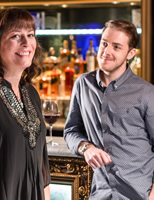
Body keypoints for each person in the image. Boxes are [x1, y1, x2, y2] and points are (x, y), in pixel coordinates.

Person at [64, 19, 154, 200]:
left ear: (130, 53)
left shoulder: (146, 92)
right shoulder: (83, 84)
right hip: (100, 194)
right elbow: (72, 130)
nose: (106, 52)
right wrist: (85, 147)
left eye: (116, 47)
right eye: (104, 43)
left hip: (138, 195)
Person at [0, 8, 50, 200]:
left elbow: (43, 170)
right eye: (16, 36)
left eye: (30, 35)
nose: (26, 43)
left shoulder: (31, 92)